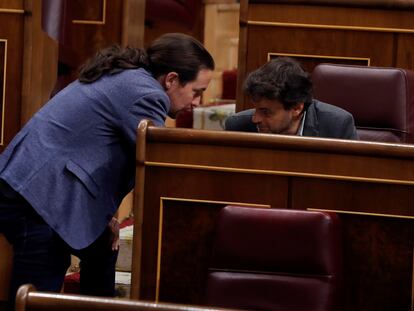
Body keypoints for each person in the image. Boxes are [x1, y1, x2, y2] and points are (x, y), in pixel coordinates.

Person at [0, 33, 214, 309]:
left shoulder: (130, 77)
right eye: (197, 92)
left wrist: (104, 216)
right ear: (171, 80)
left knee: (102, 246)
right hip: (35, 195)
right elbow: (160, 167)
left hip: (37, 184)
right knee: (38, 293)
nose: (197, 103)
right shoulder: (147, 93)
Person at [225, 57, 358, 139]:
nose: (255, 119)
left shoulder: (337, 126)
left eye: (265, 112)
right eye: (256, 109)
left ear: (296, 108)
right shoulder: (238, 126)